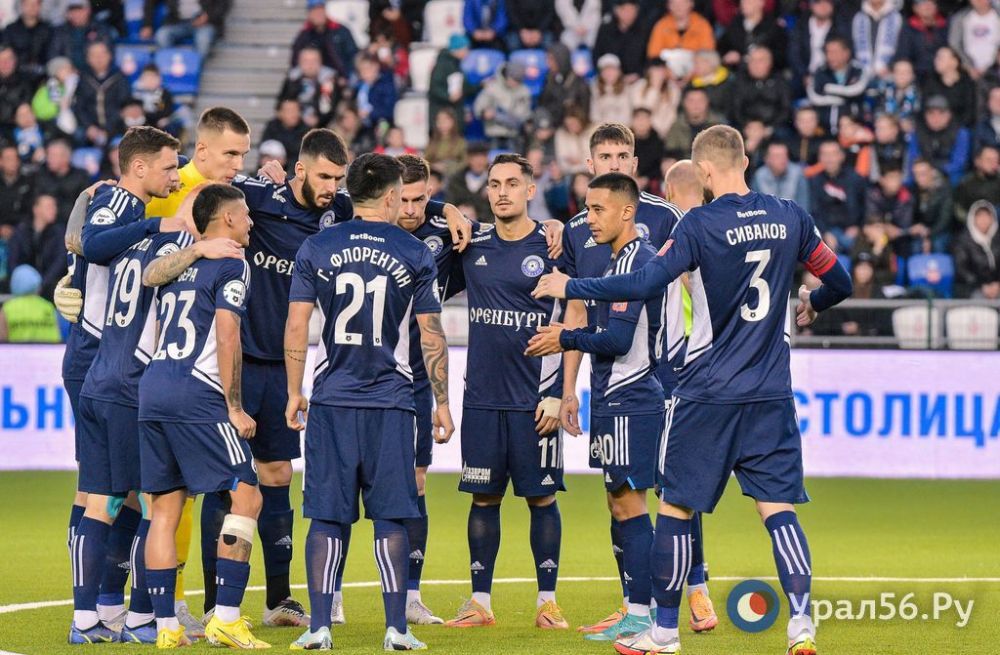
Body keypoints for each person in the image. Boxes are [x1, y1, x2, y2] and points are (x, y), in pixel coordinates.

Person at [531, 124, 853, 655]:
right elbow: (839, 281)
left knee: (676, 510)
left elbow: (643, 282)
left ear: (703, 171)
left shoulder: (698, 225)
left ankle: (663, 632)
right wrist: (812, 303)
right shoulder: (791, 216)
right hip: (771, 393)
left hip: (707, 393)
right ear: (745, 161)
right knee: (779, 511)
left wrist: (574, 285)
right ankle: (801, 625)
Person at [283, 153, 453, 651]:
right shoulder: (414, 251)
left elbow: (297, 324)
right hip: (392, 402)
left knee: (326, 516)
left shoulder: (317, 246)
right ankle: (397, 629)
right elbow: (430, 333)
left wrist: (294, 391)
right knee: (392, 516)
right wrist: (442, 402)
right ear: (392, 196)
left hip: (332, 399)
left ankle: (319, 627)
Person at [527, 172, 668, 644]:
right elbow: (604, 329)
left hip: (632, 397)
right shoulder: (615, 262)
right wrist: (567, 333)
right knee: (618, 502)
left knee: (631, 504)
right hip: (613, 397)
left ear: (627, 212)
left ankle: (644, 614)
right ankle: (637, 608)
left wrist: (565, 337)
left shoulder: (637, 260)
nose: (589, 219)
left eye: (598, 209)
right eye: (587, 209)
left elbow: (619, 339)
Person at [137, 183, 268, 649]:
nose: (251, 221)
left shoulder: (179, 263)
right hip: (198, 392)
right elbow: (228, 333)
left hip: (153, 388)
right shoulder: (233, 263)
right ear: (228, 219)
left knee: (164, 511)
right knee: (247, 495)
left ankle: (166, 629)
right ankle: (226, 618)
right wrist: (234, 406)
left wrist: (193, 249)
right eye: (245, 213)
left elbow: (150, 276)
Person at [67, 125, 184, 645]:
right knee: (142, 496)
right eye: (169, 166)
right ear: (138, 167)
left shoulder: (127, 213)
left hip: (101, 365)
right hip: (108, 362)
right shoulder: (120, 202)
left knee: (108, 496)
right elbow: (93, 244)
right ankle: (135, 615)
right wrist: (158, 228)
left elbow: (83, 247)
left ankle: (96, 610)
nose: (175, 177)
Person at [441, 154, 568, 631]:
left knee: (542, 499)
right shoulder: (471, 244)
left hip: (536, 399)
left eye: (512, 183)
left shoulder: (554, 245)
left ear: (531, 190)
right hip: (482, 399)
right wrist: (446, 208)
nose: (502, 192)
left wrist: (558, 392)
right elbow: (419, 238)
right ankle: (480, 603)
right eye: (494, 184)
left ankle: (548, 603)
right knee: (483, 499)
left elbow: (574, 317)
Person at [809, 140, 866, 252]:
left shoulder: (855, 179)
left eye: (833, 154)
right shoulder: (815, 181)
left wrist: (858, 227)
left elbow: (864, 207)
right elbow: (813, 211)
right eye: (825, 155)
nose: (829, 159)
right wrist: (825, 232)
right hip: (825, 232)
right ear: (819, 158)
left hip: (851, 231)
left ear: (841, 156)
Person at [7, 194, 66, 299]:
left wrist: (42, 284)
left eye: (55, 206)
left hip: (49, 286)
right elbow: (13, 260)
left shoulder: (59, 232)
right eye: (49, 206)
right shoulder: (21, 231)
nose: (54, 210)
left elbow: (60, 262)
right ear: (36, 209)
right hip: (24, 285)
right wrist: (23, 282)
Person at [74, 40, 130, 147]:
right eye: (94, 55)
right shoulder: (83, 78)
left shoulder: (119, 77)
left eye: (102, 54)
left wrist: (108, 130)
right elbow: (79, 107)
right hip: (89, 129)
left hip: (116, 128)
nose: (98, 58)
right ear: (88, 58)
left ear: (110, 56)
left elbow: (124, 106)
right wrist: (89, 127)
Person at [807, 37, 869, 134]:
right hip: (824, 128)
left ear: (846, 53)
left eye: (834, 52)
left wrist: (828, 88)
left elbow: (856, 90)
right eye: (827, 52)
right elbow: (815, 97)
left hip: (853, 127)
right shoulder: (820, 71)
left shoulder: (858, 69)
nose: (830, 56)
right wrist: (844, 98)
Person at [907, 94, 971, 186]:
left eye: (941, 113)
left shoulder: (961, 133)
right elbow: (913, 159)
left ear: (949, 115)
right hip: (923, 176)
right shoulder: (917, 133)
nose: (936, 118)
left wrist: (938, 171)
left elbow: (959, 163)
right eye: (931, 114)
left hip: (950, 178)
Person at [291, 0, 358, 80]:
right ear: (309, 14)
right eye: (315, 11)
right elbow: (295, 61)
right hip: (314, 79)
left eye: (321, 10)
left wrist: (345, 76)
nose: (318, 14)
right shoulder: (304, 36)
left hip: (341, 77)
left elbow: (354, 56)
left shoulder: (340, 31)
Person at [729, 45, 791, 130]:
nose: (755, 64)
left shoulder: (780, 82)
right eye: (752, 60)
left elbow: (785, 110)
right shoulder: (739, 81)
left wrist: (769, 128)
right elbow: (735, 109)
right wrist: (747, 126)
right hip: (745, 128)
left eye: (760, 60)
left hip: (775, 128)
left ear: (769, 62)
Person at [144, 0, 231, 60]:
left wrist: (208, 16)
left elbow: (224, 3)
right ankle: (171, 65)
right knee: (162, 35)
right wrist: (147, 25)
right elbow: (150, 3)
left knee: (203, 40)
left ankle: (194, 67)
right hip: (177, 23)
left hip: (205, 24)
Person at [716, 0, 787, 70]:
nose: (744, 5)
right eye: (742, 2)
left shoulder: (773, 27)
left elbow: (781, 56)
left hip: (767, 74)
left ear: (760, 3)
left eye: (749, 2)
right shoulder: (735, 25)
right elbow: (721, 48)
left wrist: (763, 58)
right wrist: (727, 56)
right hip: (736, 72)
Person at [280, 46, 339, 129]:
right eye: (306, 61)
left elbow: (327, 108)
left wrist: (318, 119)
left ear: (320, 62)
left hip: (322, 125)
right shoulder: (292, 78)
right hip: (295, 124)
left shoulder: (327, 80)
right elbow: (282, 103)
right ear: (299, 62)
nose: (310, 65)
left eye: (314, 61)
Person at [47, 0, 114, 73]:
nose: (76, 14)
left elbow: (107, 53)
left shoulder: (100, 29)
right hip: (68, 74)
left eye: (80, 10)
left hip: (94, 72)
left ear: (88, 10)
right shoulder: (60, 31)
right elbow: (53, 55)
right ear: (68, 13)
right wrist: (66, 69)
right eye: (73, 10)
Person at [0, 264, 61, 343]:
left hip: (17, 351)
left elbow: (2, 342)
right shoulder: (48, 307)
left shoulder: (7, 309)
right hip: (48, 350)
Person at [953, 200, 1000, 298]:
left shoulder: (998, 238)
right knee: (978, 298)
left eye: (987, 216)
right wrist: (982, 286)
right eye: (979, 216)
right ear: (972, 218)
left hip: (997, 286)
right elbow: (961, 270)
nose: (983, 220)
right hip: (972, 287)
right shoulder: (963, 240)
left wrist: (997, 285)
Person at [428, 34, 474, 131]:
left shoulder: (456, 64)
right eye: (465, 49)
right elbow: (434, 87)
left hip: (454, 111)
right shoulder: (442, 65)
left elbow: (463, 87)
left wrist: (481, 85)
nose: (467, 52)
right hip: (442, 110)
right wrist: (448, 96)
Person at [593, 0, 648, 80]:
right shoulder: (606, 30)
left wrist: (639, 74)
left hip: (636, 79)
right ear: (617, 10)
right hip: (609, 79)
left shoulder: (643, 31)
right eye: (625, 10)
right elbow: (597, 54)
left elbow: (648, 57)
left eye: (632, 10)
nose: (629, 14)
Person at [947, 0, 1000, 81]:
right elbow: (954, 43)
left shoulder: (997, 16)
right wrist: (969, 66)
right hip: (968, 71)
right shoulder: (961, 18)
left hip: (996, 71)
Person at [646, 0, 715, 62]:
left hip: (696, 67)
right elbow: (653, 54)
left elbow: (708, 53)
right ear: (668, 5)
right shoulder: (661, 25)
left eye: (682, 3)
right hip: (667, 67)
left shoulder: (702, 25)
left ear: (691, 3)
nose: (678, 7)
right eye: (674, 3)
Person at [894, 0, 949, 77]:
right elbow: (903, 53)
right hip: (917, 74)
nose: (927, 6)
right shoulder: (909, 27)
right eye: (922, 3)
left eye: (931, 2)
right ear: (915, 8)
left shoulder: (946, 25)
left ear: (936, 6)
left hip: (942, 72)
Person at [3, 0, 54, 80]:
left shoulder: (49, 29)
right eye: (28, 4)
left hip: (43, 74)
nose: (32, 8)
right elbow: (5, 54)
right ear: (22, 6)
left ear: (40, 6)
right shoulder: (10, 30)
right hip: (15, 75)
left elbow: (52, 54)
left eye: (35, 4)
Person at [952, 145, 1000, 227]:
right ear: (977, 161)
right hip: (971, 225)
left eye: (996, 160)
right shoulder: (966, 183)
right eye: (989, 160)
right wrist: (973, 221)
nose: (993, 164)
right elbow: (958, 209)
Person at [753, 141, 809, 209]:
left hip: (792, 215)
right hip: (768, 215)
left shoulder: (797, 174)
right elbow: (755, 207)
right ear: (767, 159)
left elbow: (803, 207)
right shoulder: (759, 176)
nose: (783, 160)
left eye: (785, 155)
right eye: (778, 156)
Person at [262, 98, 310, 172]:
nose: (294, 114)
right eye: (289, 111)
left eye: (296, 110)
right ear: (279, 113)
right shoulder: (272, 127)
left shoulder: (307, 131)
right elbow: (265, 150)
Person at [591, 54, 633, 127]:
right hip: (602, 129)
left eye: (612, 70)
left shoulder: (627, 89)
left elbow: (627, 115)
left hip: (622, 129)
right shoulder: (595, 89)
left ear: (618, 72)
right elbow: (594, 115)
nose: (609, 73)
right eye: (606, 70)